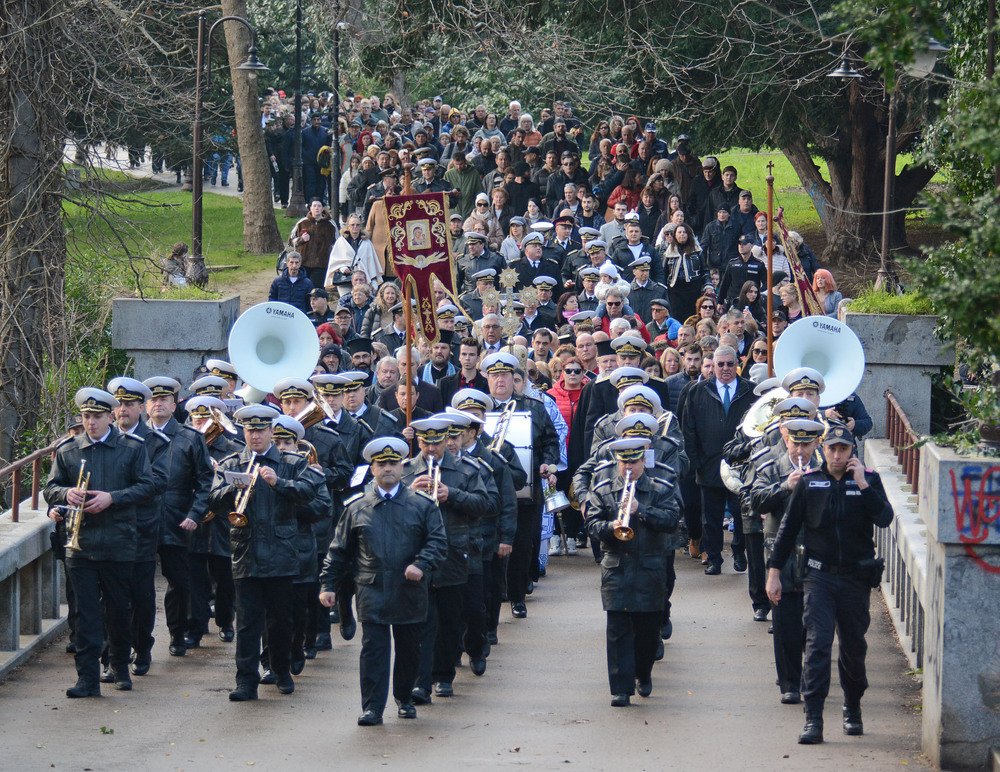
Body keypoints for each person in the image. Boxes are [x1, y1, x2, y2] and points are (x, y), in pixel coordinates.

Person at [766, 421, 894, 744]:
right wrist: (774, 573)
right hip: (818, 577)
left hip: (855, 578)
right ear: (823, 450)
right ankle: (813, 718)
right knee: (817, 645)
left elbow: (885, 518)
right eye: (832, 449)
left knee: (853, 648)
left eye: (843, 449)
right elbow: (787, 530)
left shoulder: (868, 480)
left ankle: (853, 707)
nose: (837, 455)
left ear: (853, 451)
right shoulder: (810, 483)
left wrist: (863, 485)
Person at [319, 437, 447, 725]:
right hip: (372, 588)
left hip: (409, 589)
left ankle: (404, 698)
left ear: (402, 468)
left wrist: (421, 564)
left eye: (393, 463)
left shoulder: (422, 505)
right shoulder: (356, 507)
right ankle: (372, 708)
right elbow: (339, 550)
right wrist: (327, 585)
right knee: (373, 651)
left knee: (409, 649)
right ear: (372, 469)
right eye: (381, 464)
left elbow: (438, 542)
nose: (388, 468)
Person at [44, 388, 156, 697]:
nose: (90, 422)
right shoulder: (68, 450)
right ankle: (87, 679)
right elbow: (50, 488)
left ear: (110, 416)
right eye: (86, 416)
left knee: (119, 611)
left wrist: (113, 498)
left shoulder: (132, 448)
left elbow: (148, 486)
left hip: (118, 542)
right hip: (79, 544)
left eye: (96, 416)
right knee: (85, 615)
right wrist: (65, 493)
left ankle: (119, 667)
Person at [208, 404, 320, 701]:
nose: (255, 435)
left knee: (280, 621)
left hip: (281, 551)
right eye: (249, 430)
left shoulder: (291, 462)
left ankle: (281, 671)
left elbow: (310, 491)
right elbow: (214, 501)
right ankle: (246, 681)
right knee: (247, 622)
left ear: (271, 431)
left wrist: (278, 482)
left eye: (260, 430)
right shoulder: (233, 462)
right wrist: (233, 488)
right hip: (245, 551)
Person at [401, 416, 492, 703]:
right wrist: (409, 493)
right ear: (419, 441)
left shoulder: (467, 469)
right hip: (417, 555)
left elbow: (485, 504)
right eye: (426, 443)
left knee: (450, 621)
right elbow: (384, 503)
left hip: (453, 553)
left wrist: (451, 494)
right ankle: (422, 682)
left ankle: (443, 675)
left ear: (446, 440)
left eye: (437, 443)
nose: (431, 449)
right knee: (422, 622)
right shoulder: (406, 470)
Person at [584, 437, 680, 706]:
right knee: (618, 630)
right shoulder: (604, 487)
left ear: (643, 462)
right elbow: (591, 523)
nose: (628, 468)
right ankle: (621, 689)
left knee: (647, 632)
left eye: (634, 462)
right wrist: (609, 527)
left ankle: (643, 673)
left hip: (650, 568)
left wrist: (642, 510)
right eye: (623, 462)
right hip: (616, 568)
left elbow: (673, 520)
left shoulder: (661, 487)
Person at [142, 376, 214, 658]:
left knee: (180, 582)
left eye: (164, 399)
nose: (158, 404)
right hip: (142, 521)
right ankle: (140, 642)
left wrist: (195, 513)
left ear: (174, 405)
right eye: (153, 399)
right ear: (145, 405)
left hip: (177, 520)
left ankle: (177, 633)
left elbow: (205, 481)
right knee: (140, 586)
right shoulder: (135, 438)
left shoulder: (190, 437)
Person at [680, 346, 754, 574]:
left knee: (741, 514)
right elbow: (688, 429)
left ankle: (739, 552)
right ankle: (714, 558)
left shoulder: (750, 391)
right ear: (713, 366)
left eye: (729, 364)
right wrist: (696, 462)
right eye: (720, 364)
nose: (725, 369)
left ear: (737, 364)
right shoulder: (698, 391)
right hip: (709, 464)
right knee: (710, 517)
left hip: (741, 464)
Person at [326, 213, 381, 294]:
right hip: (345, 279)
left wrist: (374, 280)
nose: (355, 227)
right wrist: (342, 268)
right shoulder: (341, 241)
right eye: (352, 225)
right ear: (348, 226)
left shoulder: (366, 242)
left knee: (362, 298)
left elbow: (371, 262)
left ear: (360, 226)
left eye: (357, 225)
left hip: (362, 279)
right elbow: (334, 260)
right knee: (345, 299)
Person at [291, 199, 338, 288]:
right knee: (302, 289)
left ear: (323, 208)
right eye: (314, 206)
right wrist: (301, 239)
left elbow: (337, 244)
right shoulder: (302, 223)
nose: (317, 208)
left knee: (316, 290)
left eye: (319, 206)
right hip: (303, 263)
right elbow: (291, 241)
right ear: (310, 208)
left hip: (321, 265)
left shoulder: (330, 225)